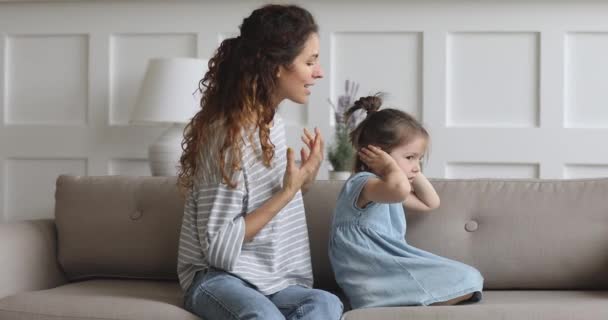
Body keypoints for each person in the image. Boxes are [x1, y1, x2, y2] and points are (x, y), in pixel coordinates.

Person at [176, 4, 343, 320]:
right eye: (310, 62)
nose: (319, 72)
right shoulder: (227, 138)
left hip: (274, 283)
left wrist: (305, 178)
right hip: (216, 279)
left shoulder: (272, 125)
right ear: (277, 67)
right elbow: (218, 249)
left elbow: (267, 205)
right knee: (264, 316)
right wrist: (285, 194)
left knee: (327, 304)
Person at [329, 94, 483, 309]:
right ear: (379, 154)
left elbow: (431, 203)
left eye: (419, 158)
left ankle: (411, 299)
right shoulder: (365, 184)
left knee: (470, 276)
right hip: (371, 273)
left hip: (392, 266)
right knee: (467, 279)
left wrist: (411, 169)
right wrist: (391, 166)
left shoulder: (388, 189)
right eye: (410, 157)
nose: (416, 166)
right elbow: (400, 191)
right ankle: (390, 299)